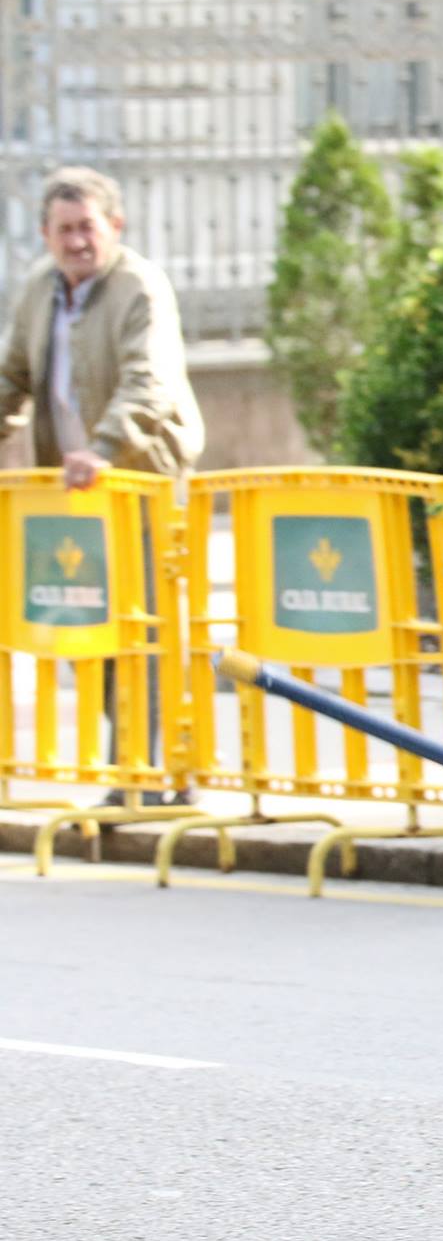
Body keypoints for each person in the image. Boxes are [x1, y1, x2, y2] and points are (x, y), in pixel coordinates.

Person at [0, 165, 205, 805]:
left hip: (140, 486)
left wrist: (104, 448)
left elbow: (151, 382)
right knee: (87, 627)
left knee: (144, 630)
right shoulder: (40, 289)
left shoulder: (139, 286)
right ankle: (141, 765)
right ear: (45, 234)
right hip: (74, 497)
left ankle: (155, 772)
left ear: (114, 225)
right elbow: (13, 376)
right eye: (63, 230)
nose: (77, 242)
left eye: (87, 227)